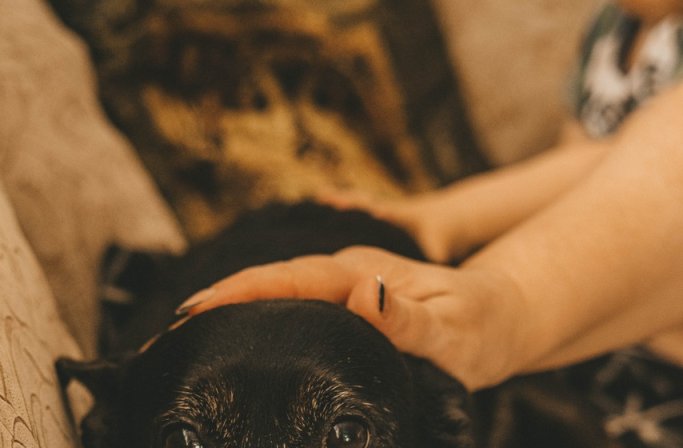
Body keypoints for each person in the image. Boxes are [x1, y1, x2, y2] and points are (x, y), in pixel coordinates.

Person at [174, 2, 683, 392]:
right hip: (592, 305)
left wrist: (449, 217)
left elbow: (617, 164)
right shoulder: (608, 32)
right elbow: (586, 181)